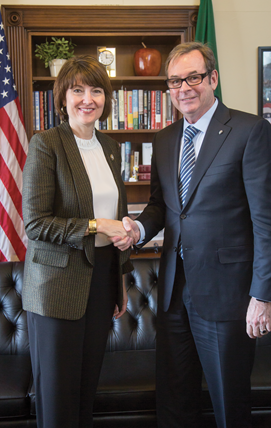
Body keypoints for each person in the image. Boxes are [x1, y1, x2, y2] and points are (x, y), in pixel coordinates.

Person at [113, 42, 271, 427]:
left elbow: (265, 220)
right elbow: (160, 206)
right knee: (174, 401)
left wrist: (262, 294)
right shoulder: (165, 139)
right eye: (174, 81)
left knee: (228, 404)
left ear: (212, 79)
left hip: (227, 294)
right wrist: (138, 228)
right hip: (172, 294)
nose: (183, 88)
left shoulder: (250, 131)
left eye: (193, 77)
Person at [22, 55, 133, 428]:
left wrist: (120, 279)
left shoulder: (111, 147)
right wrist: (94, 225)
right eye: (78, 90)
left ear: (106, 98)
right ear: (63, 98)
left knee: (87, 390)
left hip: (102, 279)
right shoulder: (46, 144)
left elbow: (118, 217)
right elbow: (36, 224)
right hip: (56, 285)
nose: (88, 99)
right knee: (58, 399)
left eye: (97, 90)